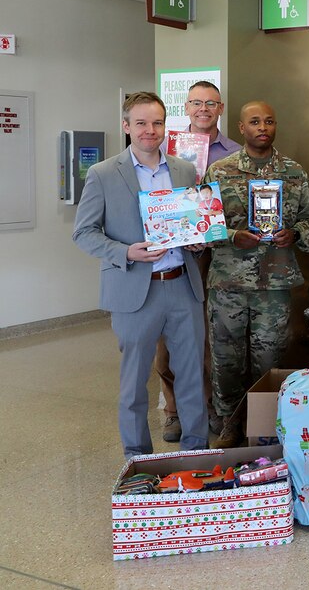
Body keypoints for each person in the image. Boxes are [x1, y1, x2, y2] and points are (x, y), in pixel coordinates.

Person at [72, 91, 208, 458]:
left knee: (192, 376)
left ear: (166, 125)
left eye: (158, 122)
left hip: (182, 284)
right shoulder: (103, 174)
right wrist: (125, 252)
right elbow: (83, 233)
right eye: (142, 123)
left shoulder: (183, 169)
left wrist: (197, 241)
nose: (150, 130)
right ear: (126, 126)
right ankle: (138, 460)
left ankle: (196, 453)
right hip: (134, 291)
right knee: (134, 383)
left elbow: (191, 225)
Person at [205, 101, 309, 448]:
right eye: (254, 121)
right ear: (241, 127)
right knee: (226, 360)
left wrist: (295, 233)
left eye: (269, 121)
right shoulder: (219, 171)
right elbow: (203, 226)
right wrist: (231, 235)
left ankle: (264, 425)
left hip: (275, 283)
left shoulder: (293, 172)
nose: (263, 127)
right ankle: (228, 423)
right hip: (229, 282)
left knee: (269, 360)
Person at [154, 80, 240, 442]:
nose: (203, 108)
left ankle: (208, 407)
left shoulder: (234, 152)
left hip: (215, 253)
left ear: (220, 108)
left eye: (211, 103)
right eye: (196, 103)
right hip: (171, 252)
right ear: (186, 108)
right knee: (165, 333)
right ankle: (173, 409)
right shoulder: (162, 147)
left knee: (206, 333)